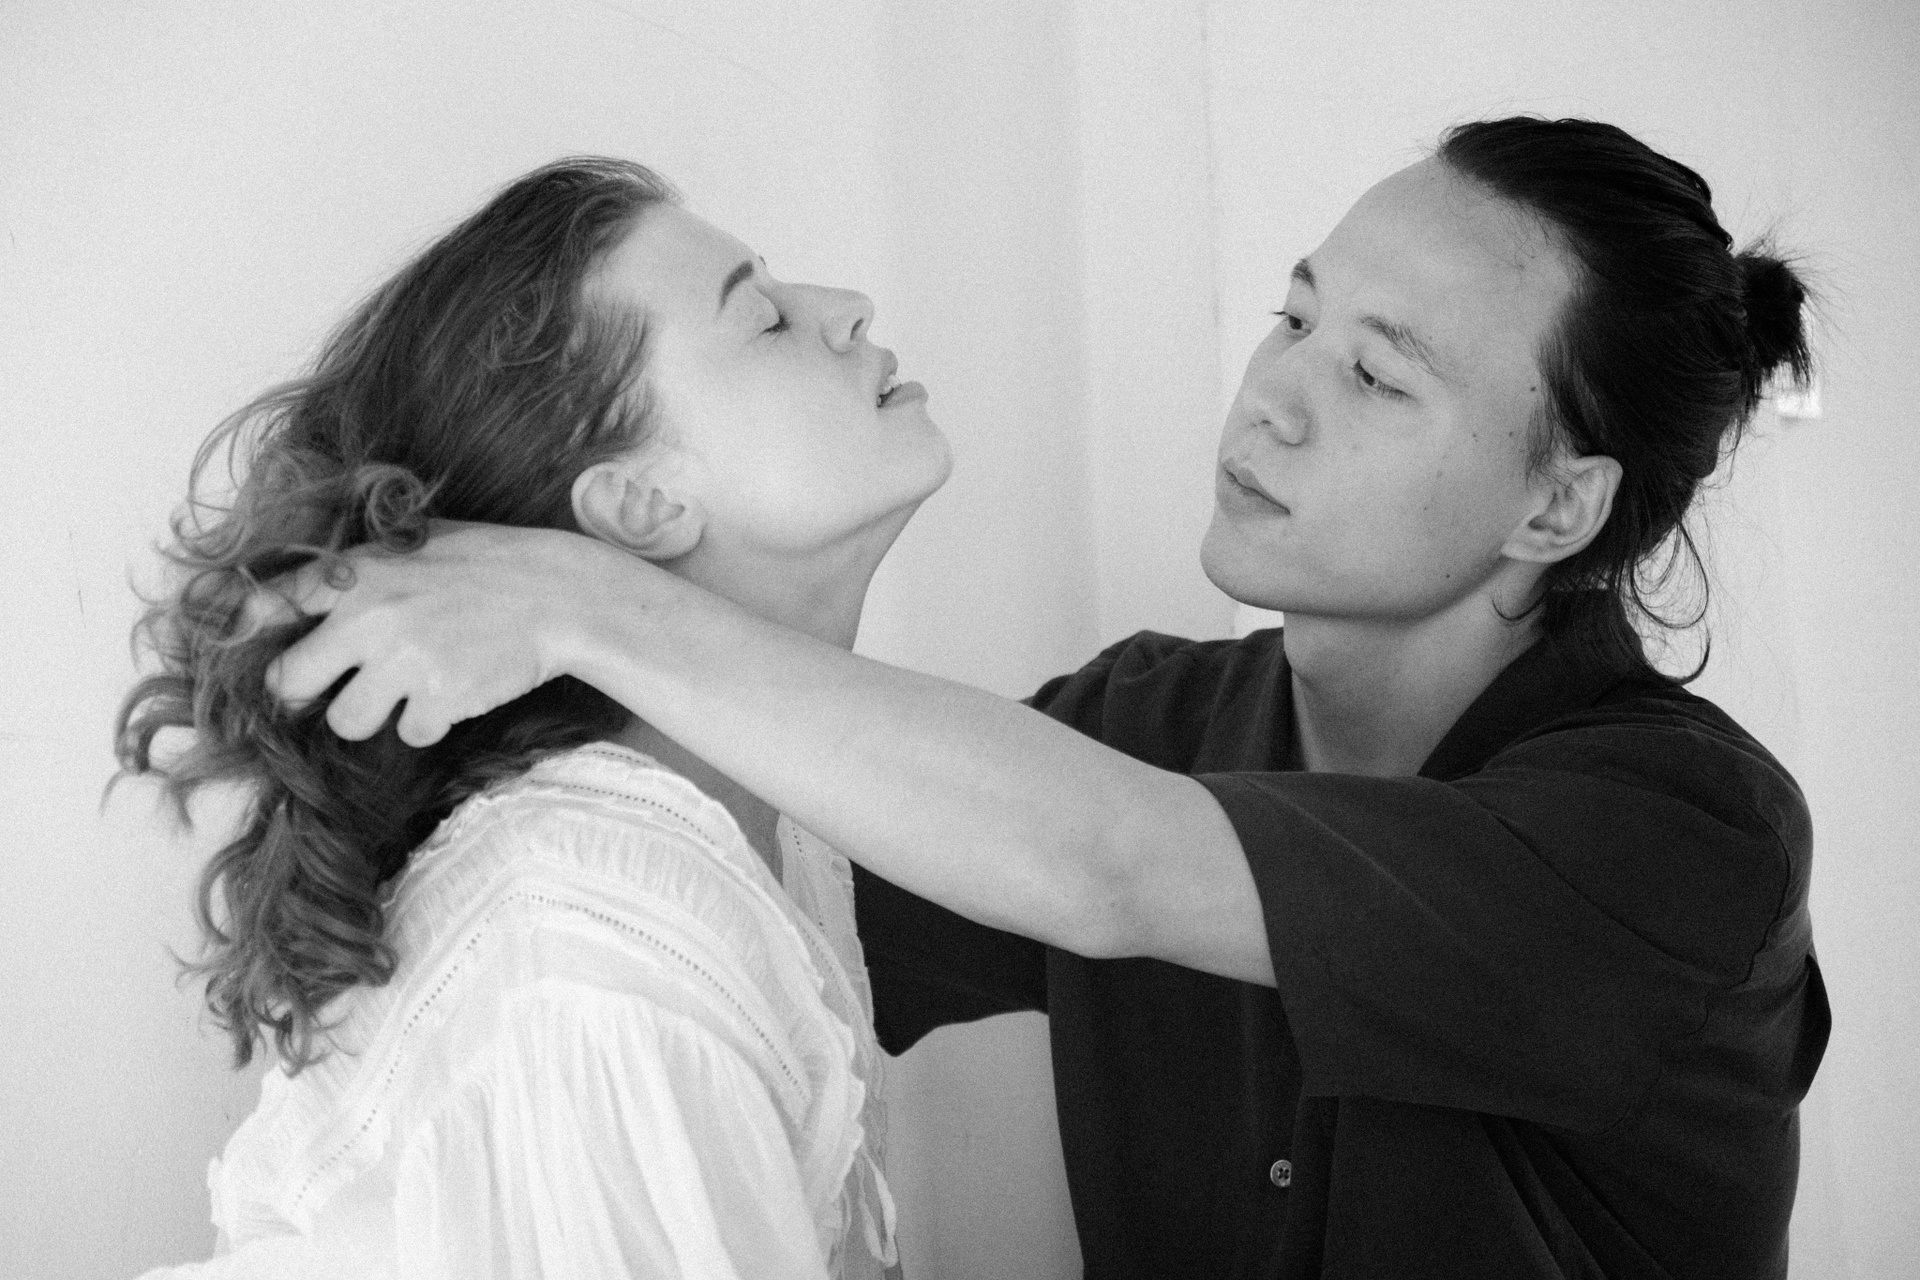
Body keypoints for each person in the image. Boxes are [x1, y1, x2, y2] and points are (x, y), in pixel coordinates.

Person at [266, 118, 1827, 1278]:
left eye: (1377, 375)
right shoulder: (1136, 728)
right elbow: (763, 895)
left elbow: (1109, 862)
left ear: (1557, 507)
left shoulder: (1679, 843)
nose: (1275, 393)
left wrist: (580, 601)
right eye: (1295, 318)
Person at [117, 156, 950, 1278]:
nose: (848, 308)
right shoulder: (596, 936)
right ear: (638, 504)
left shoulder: (764, 830)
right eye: (763, 319)